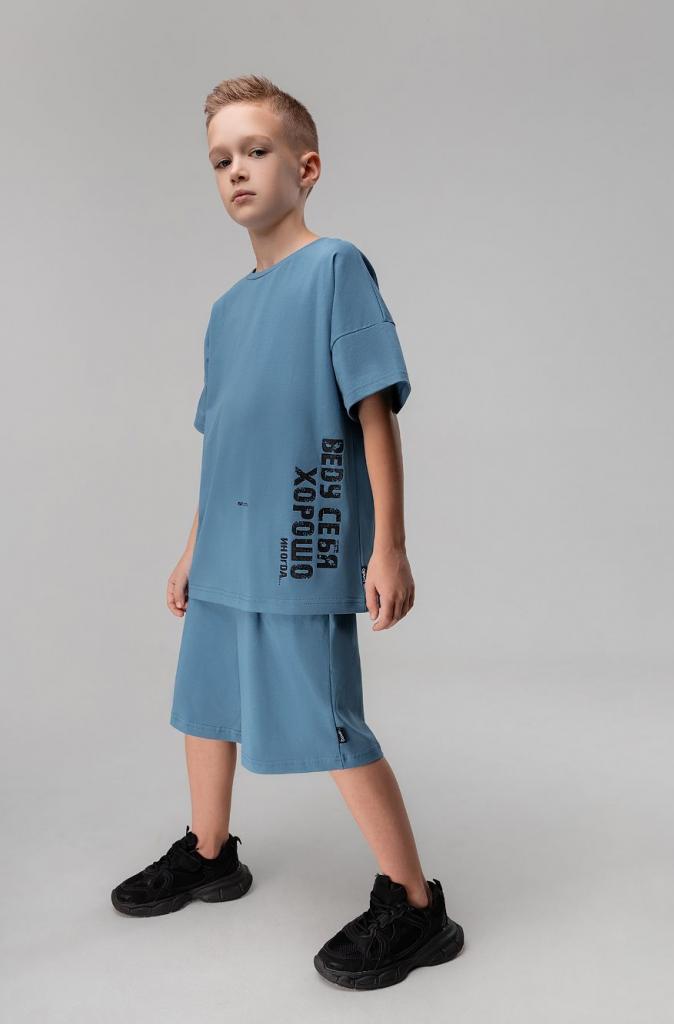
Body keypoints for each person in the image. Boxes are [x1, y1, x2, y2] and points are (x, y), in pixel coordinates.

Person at [110, 73, 464, 990]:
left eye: (255, 151)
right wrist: (192, 547)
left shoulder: (334, 268)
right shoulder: (226, 312)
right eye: (219, 159)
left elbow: (375, 411)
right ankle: (209, 852)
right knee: (204, 704)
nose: (235, 170)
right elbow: (223, 439)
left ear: (305, 168)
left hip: (298, 541)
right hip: (226, 545)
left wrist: (388, 545)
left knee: (327, 717)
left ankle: (414, 904)